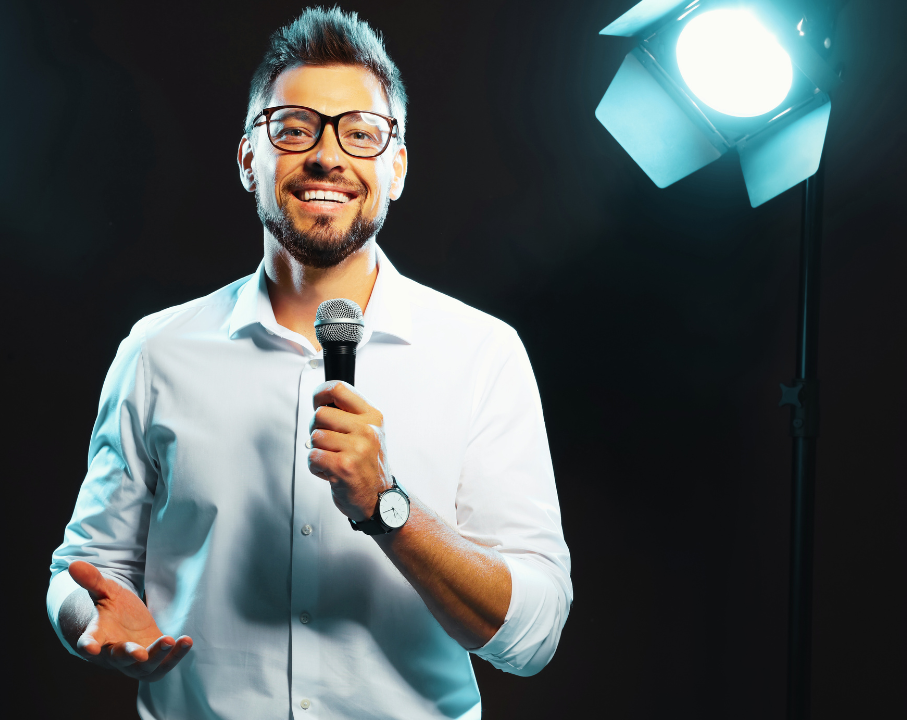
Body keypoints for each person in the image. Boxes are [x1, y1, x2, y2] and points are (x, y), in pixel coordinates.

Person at [46, 7, 571, 719]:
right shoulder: (156, 352)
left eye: (361, 133)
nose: (328, 156)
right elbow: (84, 571)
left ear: (397, 167)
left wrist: (390, 509)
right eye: (294, 128)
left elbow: (533, 636)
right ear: (248, 159)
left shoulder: (481, 353)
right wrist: (89, 622)